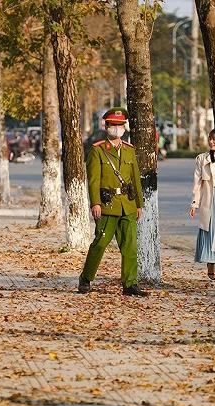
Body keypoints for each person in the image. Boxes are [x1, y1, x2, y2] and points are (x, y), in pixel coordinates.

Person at [78, 107, 148, 297]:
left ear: (124, 127)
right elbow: (93, 180)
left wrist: (139, 204)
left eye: (119, 125)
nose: (116, 128)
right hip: (107, 205)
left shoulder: (129, 150)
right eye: (113, 125)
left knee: (130, 246)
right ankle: (86, 278)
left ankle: (130, 284)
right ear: (106, 125)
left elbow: (135, 178)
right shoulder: (98, 150)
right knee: (100, 243)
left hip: (128, 205)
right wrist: (95, 203)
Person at [190, 129, 215, 284]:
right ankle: (210, 264)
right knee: (209, 231)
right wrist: (194, 203)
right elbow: (197, 183)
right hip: (209, 199)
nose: (212, 142)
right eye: (210, 139)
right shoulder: (202, 159)